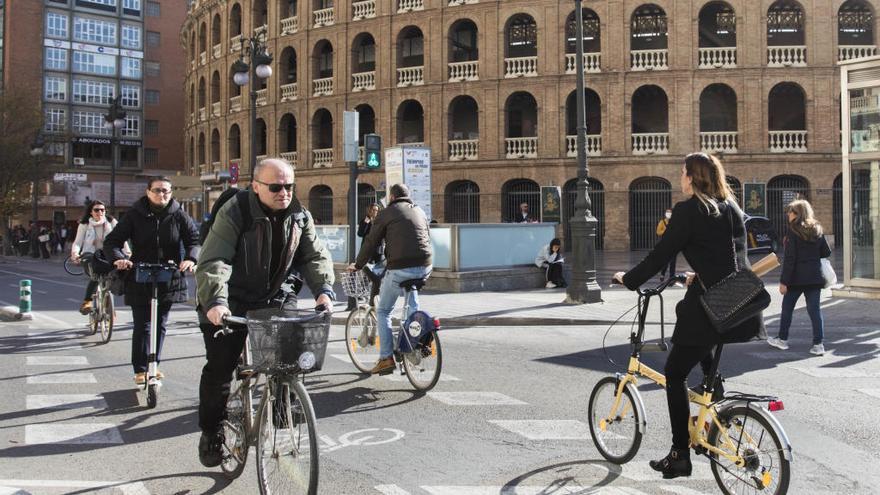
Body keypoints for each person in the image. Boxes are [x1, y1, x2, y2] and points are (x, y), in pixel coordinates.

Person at [612, 153, 763, 480]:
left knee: (675, 372)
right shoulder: (731, 208)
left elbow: (659, 256)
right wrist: (701, 274)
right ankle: (714, 386)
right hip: (739, 304)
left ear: (692, 177)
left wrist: (630, 279)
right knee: (694, 330)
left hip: (710, 307)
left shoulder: (688, 210)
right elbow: (734, 257)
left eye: (682, 173)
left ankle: (679, 454)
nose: (680, 178)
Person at [195, 158, 335, 468]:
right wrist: (216, 302)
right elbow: (215, 259)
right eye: (275, 187)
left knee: (288, 357)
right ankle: (212, 432)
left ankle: (283, 403)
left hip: (274, 294)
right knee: (220, 368)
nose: (284, 192)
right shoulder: (236, 211)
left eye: (289, 186)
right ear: (256, 187)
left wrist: (324, 290)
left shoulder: (299, 215)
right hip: (228, 297)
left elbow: (314, 255)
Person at [103, 177, 200, 386]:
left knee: (161, 323)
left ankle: (154, 364)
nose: (161, 194)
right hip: (140, 274)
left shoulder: (178, 214)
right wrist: (119, 258)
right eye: (157, 190)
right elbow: (112, 241)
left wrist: (191, 259)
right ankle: (140, 369)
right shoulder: (134, 214)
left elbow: (193, 239)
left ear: (171, 192)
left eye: (166, 191)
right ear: (148, 192)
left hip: (168, 275)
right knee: (143, 324)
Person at [347, 183, 432, 375]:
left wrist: (358, 264)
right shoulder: (419, 211)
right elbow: (426, 236)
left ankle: (386, 358)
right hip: (425, 265)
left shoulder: (387, 213)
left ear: (392, 197)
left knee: (384, 310)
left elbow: (371, 241)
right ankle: (413, 338)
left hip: (401, 267)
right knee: (411, 305)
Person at [767, 199, 831, 356]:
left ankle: (782, 340)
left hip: (795, 279)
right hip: (815, 277)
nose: (788, 214)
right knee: (815, 311)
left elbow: (790, 259)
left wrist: (784, 282)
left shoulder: (792, 231)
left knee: (787, 309)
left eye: (790, 211)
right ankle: (818, 344)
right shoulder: (817, 229)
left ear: (798, 214)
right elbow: (826, 252)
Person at [70, 200, 124, 314]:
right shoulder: (84, 224)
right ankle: (87, 302)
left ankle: (108, 305)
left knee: (112, 276)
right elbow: (78, 242)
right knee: (95, 275)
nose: (99, 212)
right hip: (90, 254)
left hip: (108, 253)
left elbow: (121, 239)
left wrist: (127, 254)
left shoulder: (111, 222)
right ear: (91, 212)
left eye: (102, 210)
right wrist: (75, 253)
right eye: (96, 210)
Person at [357, 202, 385, 305]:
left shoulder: (381, 221)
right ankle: (362, 293)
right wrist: (366, 222)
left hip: (378, 251)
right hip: (368, 251)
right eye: (373, 210)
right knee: (367, 271)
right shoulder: (365, 221)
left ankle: (376, 293)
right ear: (369, 211)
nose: (375, 212)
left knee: (378, 272)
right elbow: (360, 233)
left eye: (376, 210)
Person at [655, 208, 677, 281]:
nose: (668, 213)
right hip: (665, 244)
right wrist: (666, 231)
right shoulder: (662, 222)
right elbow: (658, 232)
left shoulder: (675, 222)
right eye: (667, 212)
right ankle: (662, 274)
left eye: (670, 212)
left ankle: (672, 277)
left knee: (673, 262)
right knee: (665, 261)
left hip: (674, 244)